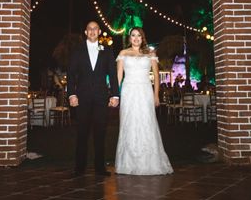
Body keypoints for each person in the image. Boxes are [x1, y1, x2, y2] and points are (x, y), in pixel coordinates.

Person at [115, 27, 173, 175]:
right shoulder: (123, 54)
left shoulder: (150, 54)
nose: (135, 38)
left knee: (147, 122)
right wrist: (115, 95)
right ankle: (128, 162)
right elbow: (119, 77)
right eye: (133, 35)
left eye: (138, 36)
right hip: (128, 91)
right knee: (129, 122)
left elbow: (156, 75)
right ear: (129, 38)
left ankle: (150, 162)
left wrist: (156, 95)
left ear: (143, 38)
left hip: (145, 91)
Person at [67, 21, 119, 177]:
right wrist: (71, 94)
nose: (92, 31)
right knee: (82, 133)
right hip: (81, 98)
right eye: (89, 29)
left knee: (100, 133)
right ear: (85, 31)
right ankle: (79, 168)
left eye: (95, 28)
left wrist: (115, 94)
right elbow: (71, 75)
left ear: (99, 31)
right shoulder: (77, 51)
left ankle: (100, 168)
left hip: (101, 98)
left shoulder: (107, 50)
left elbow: (113, 74)